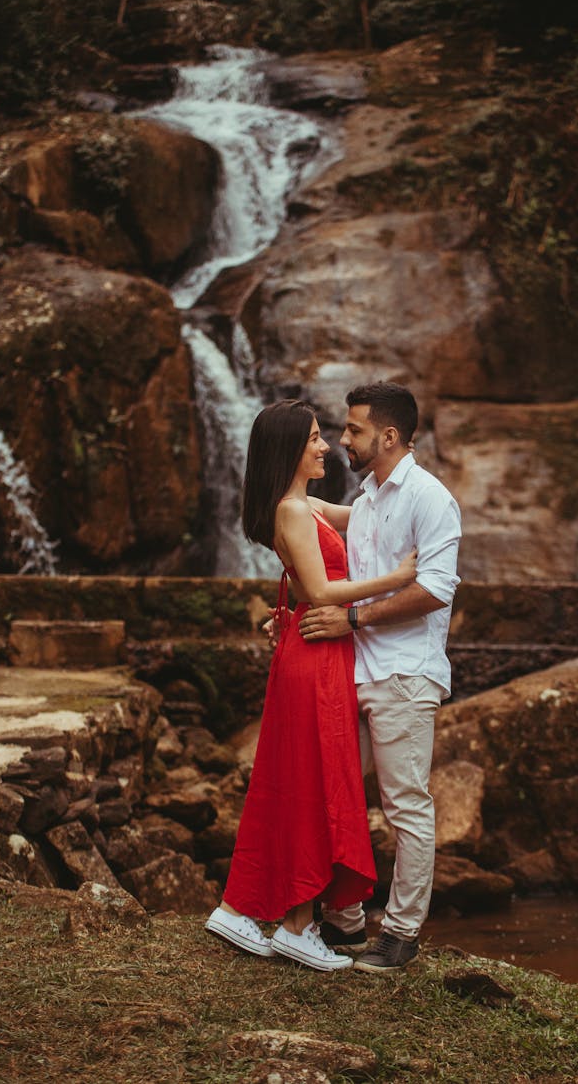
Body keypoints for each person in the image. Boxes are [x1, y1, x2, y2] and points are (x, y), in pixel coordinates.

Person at [205, 398, 417, 973]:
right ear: (290, 448)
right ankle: (293, 924)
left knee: (301, 781)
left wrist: (409, 481)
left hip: (318, 652)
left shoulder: (305, 506)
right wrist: (396, 580)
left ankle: (261, 912)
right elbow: (319, 593)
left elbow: (369, 514)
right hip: (317, 654)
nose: (327, 447)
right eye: (316, 438)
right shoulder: (293, 512)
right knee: (313, 783)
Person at [298, 382, 461, 974]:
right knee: (333, 794)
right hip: (355, 671)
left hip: (403, 674)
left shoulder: (430, 498)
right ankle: (343, 921)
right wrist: (292, 498)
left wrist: (353, 618)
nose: (344, 439)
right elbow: (343, 525)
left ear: (388, 436)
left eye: (354, 429)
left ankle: (401, 933)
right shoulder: (367, 495)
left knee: (404, 806)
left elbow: (434, 589)